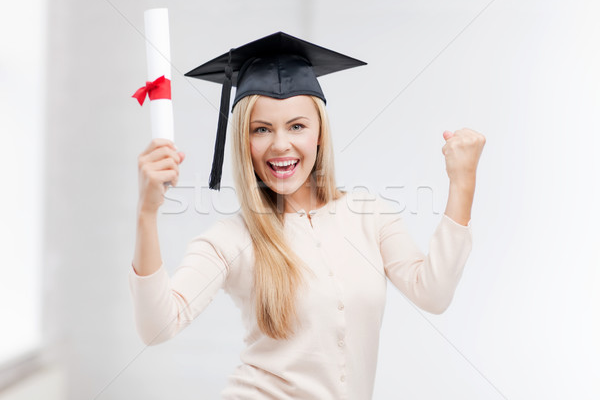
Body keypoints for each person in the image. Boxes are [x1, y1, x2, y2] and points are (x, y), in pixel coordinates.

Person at [129, 32, 485, 399]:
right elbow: (157, 326)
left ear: (319, 133)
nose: (280, 144)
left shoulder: (369, 216)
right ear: (243, 141)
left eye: (296, 126)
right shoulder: (232, 239)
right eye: (261, 129)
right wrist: (146, 212)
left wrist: (462, 183)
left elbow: (434, 293)